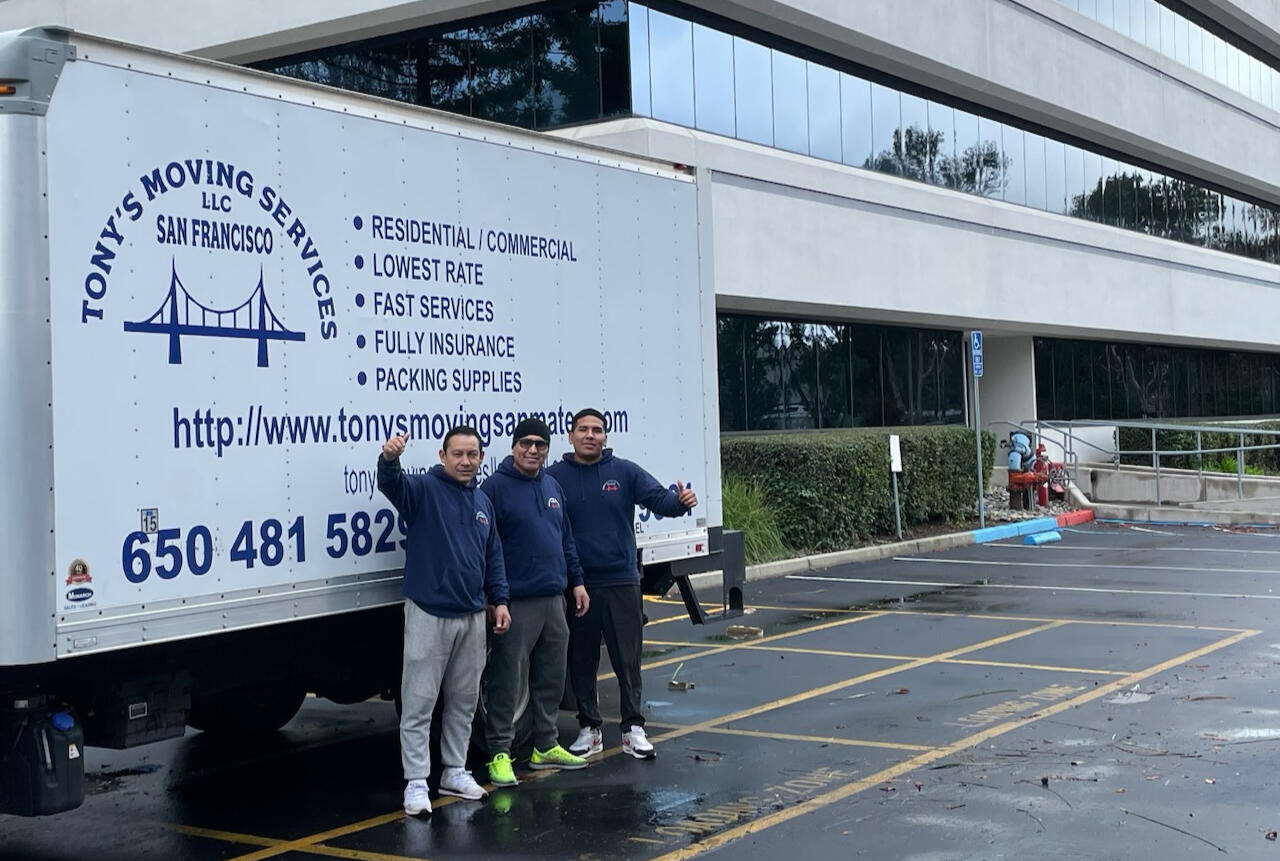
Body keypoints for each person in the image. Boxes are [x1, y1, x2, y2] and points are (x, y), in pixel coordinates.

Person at [547, 408, 697, 760]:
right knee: (581, 660)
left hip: (622, 579)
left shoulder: (624, 472)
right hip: (578, 584)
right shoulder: (553, 477)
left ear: (605, 437)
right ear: (570, 436)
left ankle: (633, 729)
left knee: (627, 659)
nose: (589, 435)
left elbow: (659, 499)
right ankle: (590, 729)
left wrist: (680, 503)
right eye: (582, 429)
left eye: (597, 430)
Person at [378, 426, 511, 817]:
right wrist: (389, 458)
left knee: (463, 700)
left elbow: (494, 556)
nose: (465, 461)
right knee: (419, 702)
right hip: (428, 612)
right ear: (442, 455)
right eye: (458, 454)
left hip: (471, 614)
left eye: (473, 454)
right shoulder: (421, 491)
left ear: (481, 458)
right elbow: (390, 483)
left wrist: (499, 599)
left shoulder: (482, 501)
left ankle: (454, 771)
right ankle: (417, 782)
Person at [478, 417, 592, 786]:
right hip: (515, 601)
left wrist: (576, 582)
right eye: (525, 443)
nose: (532, 450)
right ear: (513, 447)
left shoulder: (552, 484)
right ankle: (499, 753)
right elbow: (487, 548)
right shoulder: (494, 488)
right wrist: (497, 599)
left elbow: (567, 540)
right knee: (507, 681)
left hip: (553, 598)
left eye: (539, 445)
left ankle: (545, 744)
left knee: (550, 677)